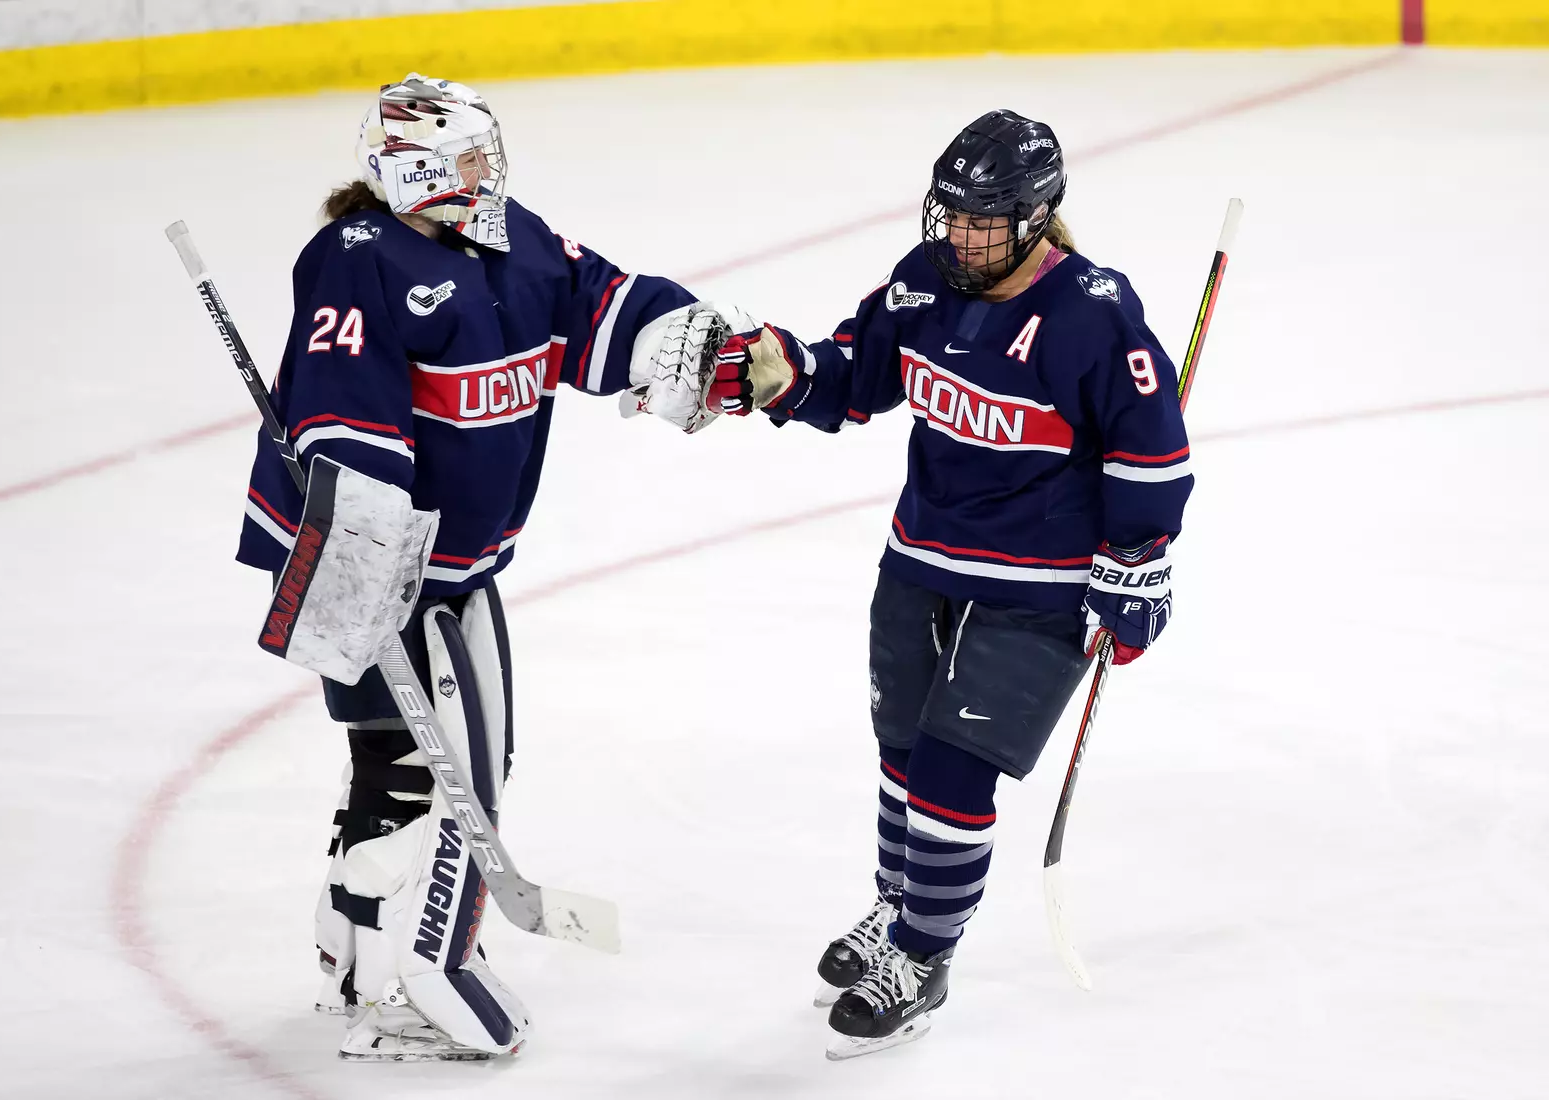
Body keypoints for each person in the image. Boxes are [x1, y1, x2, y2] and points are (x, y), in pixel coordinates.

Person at [630, 109, 1194, 1059]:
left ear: (1039, 213)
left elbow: (1152, 454)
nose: (962, 237)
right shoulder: (924, 280)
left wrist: (1137, 564)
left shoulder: (1093, 312)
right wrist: (776, 372)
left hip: (1038, 585)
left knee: (950, 775)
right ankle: (899, 910)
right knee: (901, 756)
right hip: (920, 561)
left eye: (986, 220)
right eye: (954, 215)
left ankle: (924, 957)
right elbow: (854, 377)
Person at [235, 73, 714, 1062]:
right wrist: (369, 570)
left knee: (400, 765)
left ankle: (354, 949)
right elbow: (342, 415)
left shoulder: (512, 239)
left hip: (450, 565)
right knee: (466, 776)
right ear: (410, 170)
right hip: (372, 567)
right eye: (465, 162)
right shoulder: (356, 260)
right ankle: (428, 967)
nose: (487, 176)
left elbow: (597, 301)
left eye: (488, 157)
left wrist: (677, 338)